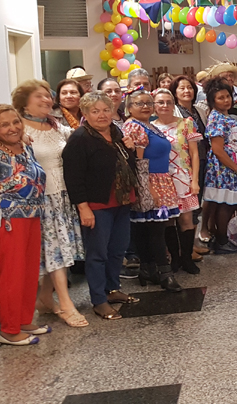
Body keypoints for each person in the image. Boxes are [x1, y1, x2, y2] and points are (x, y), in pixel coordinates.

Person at [13, 81, 87, 327]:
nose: (47, 100)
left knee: (59, 249)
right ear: (24, 102)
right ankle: (66, 305)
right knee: (56, 251)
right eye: (39, 97)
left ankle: (45, 298)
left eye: (48, 96)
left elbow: (80, 139)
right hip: (40, 200)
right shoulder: (19, 129)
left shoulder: (55, 126)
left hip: (63, 195)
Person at [63, 92, 139, 321]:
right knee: (97, 254)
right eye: (95, 111)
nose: (101, 115)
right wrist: (83, 208)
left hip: (122, 201)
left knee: (118, 249)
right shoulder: (79, 139)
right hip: (97, 204)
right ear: (85, 114)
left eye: (105, 109)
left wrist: (132, 149)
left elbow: (127, 165)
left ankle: (112, 288)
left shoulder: (116, 133)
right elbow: (73, 178)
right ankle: (98, 300)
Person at [122, 89, 183, 292]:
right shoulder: (134, 126)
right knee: (155, 230)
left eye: (149, 103)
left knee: (155, 227)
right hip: (149, 183)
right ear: (129, 107)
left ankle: (148, 268)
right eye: (140, 103)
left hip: (162, 182)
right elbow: (138, 162)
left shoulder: (149, 125)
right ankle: (164, 273)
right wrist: (148, 190)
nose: (146, 106)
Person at [0, 105, 49, 345]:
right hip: (9, 219)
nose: (13, 128)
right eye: (4, 125)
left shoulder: (26, 145)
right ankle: (8, 329)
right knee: (12, 273)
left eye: (15, 122)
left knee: (30, 270)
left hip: (33, 214)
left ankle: (23, 318)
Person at [152, 89, 201, 275]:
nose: (164, 106)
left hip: (183, 177)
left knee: (186, 220)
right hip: (162, 179)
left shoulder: (186, 124)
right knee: (168, 220)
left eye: (168, 102)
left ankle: (187, 258)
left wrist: (194, 180)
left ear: (173, 105)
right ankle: (174, 257)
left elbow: (194, 153)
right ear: (154, 105)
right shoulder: (151, 127)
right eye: (160, 102)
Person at [203, 78, 237, 251]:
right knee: (225, 204)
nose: (226, 100)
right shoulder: (216, 118)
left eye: (228, 96)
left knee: (226, 204)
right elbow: (217, 149)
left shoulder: (225, 116)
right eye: (221, 98)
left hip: (230, 166)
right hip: (223, 168)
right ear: (213, 100)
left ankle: (222, 237)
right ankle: (222, 241)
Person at [170, 76, 208, 250]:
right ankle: (187, 246)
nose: (187, 91)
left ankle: (192, 243)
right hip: (183, 164)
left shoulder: (198, 110)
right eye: (182, 88)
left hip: (201, 160)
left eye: (190, 88)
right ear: (175, 92)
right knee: (186, 206)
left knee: (196, 202)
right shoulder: (174, 112)